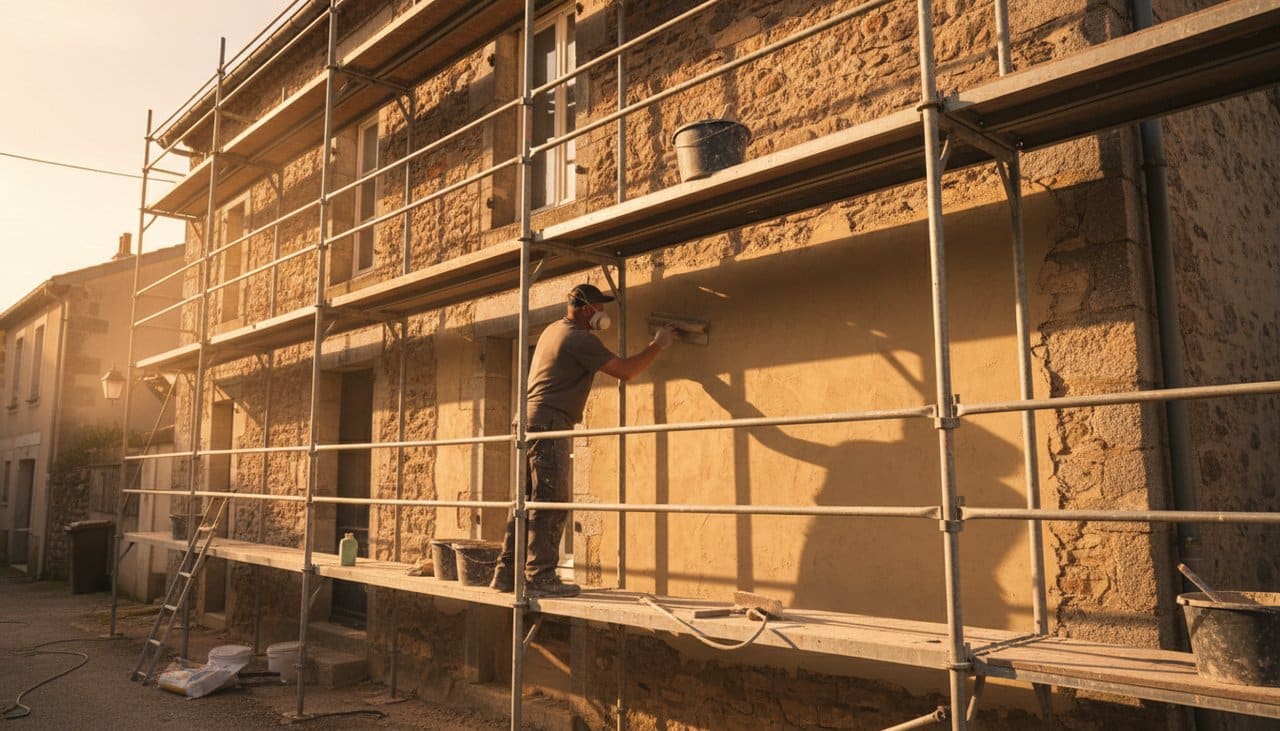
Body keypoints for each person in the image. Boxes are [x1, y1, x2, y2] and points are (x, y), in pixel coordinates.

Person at [491, 283, 675, 596]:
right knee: (551, 500)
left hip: (528, 421)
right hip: (549, 423)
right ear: (588, 309)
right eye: (600, 308)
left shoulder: (553, 330)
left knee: (525, 500)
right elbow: (626, 371)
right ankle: (540, 576)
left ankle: (506, 573)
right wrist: (658, 344)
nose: (603, 313)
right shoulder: (579, 338)